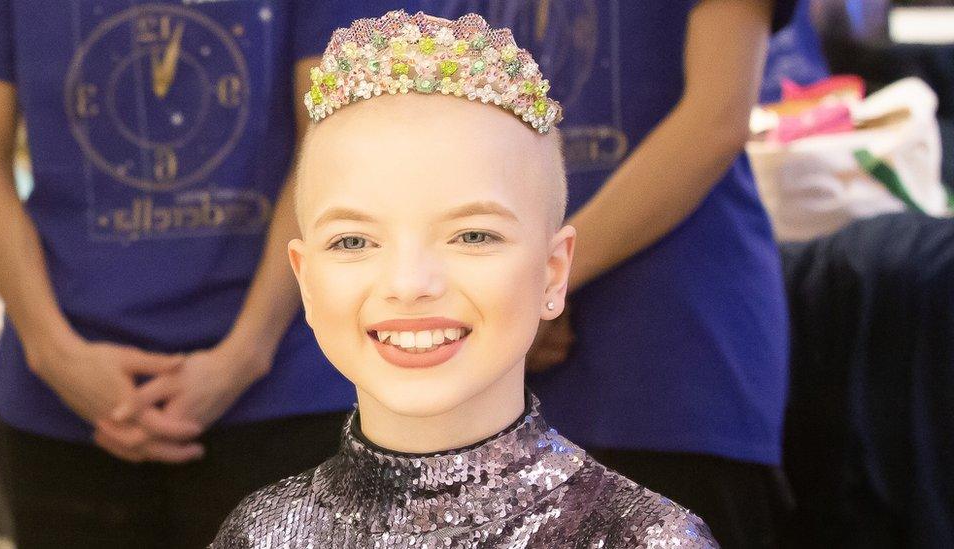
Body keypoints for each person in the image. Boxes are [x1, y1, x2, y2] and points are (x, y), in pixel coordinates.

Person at [211, 11, 717, 548]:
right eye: (354, 242)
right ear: (306, 281)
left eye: (473, 236)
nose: (409, 283)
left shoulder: (645, 538)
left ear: (553, 272)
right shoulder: (261, 534)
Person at [0, 2, 378, 547]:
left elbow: (333, 138)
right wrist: (52, 351)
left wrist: (246, 353)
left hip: (288, 389)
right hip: (61, 400)